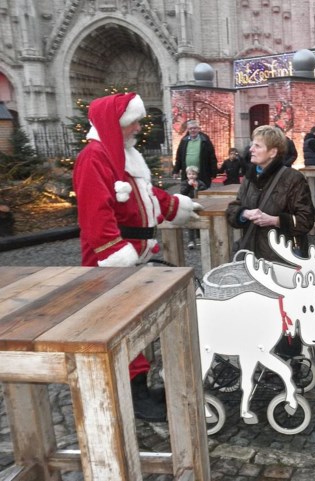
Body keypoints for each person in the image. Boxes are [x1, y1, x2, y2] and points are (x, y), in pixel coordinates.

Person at [73, 92, 201, 422]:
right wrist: (115, 254)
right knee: (120, 325)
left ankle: (140, 384)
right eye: (133, 121)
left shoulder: (123, 155)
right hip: (113, 262)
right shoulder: (94, 158)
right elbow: (95, 213)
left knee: (136, 321)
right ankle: (133, 393)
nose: (138, 127)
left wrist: (177, 207)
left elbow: (147, 196)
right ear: (116, 124)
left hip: (134, 257)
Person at [225, 125, 315, 263]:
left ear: (272, 152)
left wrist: (275, 220)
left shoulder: (293, 179)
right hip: (252, 257)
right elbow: (232, 209)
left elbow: (306, 220)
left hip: (282, 258)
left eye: (257, 146)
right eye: (252, 145)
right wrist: (244, 214)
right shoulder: (250, 178)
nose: (251, 150)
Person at [173, 119, 218, 187]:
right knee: (187, 192)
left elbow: (212, 157)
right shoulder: (184, 141)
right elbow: (179, 157)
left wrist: (213, 172)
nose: (193, 130)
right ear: (188, 129)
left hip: (202, 172)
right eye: (190, 128)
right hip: (188, 174)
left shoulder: (205, 140)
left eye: (195, 128)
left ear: (199, 129)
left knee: (202, 192)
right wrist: (176, 171)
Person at [180, 165, 208, 249]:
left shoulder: (200, 183)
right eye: (189, 174)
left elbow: (205, 191)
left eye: (193, 174)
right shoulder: (185, 183)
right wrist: (188, 186)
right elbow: (182, 192)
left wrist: (197, 188)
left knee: (199, 220)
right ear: (187, 175)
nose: (191, 176)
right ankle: (191, 240)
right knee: (190, 222)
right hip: (189, 204)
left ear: (197, 175)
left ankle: (199, 238)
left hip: (199, 204)